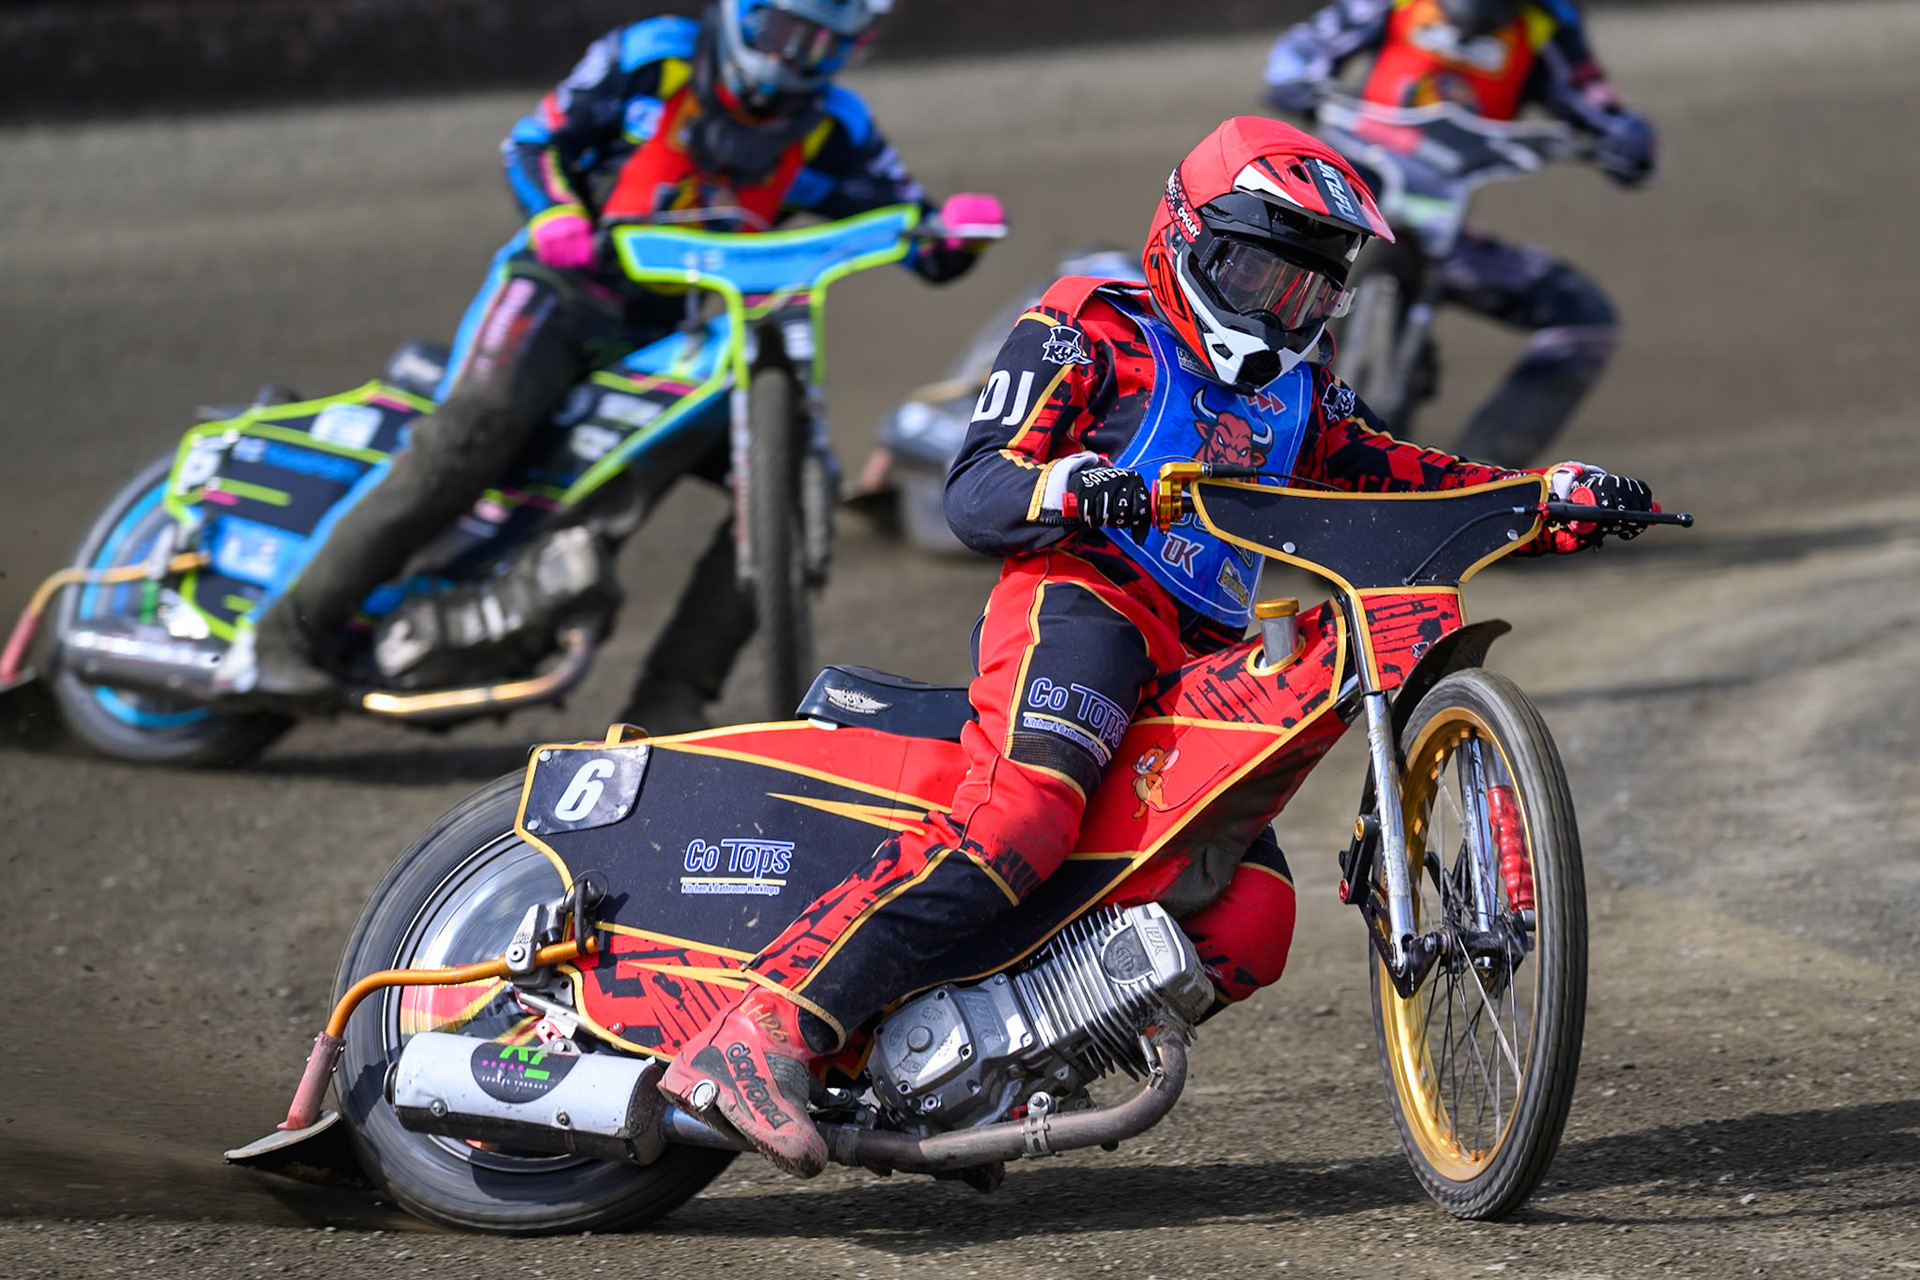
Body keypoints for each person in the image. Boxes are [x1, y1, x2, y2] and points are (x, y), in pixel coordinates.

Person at [658, 115, 1657, 1176]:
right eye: (1261, 276)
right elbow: (977, 486)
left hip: (1204, 655)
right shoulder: (1090, 324)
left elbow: (1401, 475)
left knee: (1255, 913)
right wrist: (1076, 482)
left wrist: (1545, 496)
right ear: (1188, 238)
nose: (1284, 309)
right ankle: (764, 1027)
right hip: (1082, 598)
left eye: (1309, 291)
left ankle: (990, 1071)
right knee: (1026, 810)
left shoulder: (1303, 396)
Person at [225, 0, 1002, 729]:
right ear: (737, 13)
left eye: (824, 42)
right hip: (559, 290)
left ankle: (670, 701)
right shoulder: (654, 58)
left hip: (670, 335)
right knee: (471, 437)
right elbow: (533, 143)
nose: (794, 58)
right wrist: (559, 210)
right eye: (779, 30)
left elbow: (916, 229)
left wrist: (954, 233)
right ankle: (282, 635)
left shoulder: (836, 128)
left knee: (797, 486)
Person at [1264, 0, 1658, 466]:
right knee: (1250, 279)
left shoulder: (1546, 23)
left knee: (1583, 321)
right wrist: (1298, 80)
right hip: (1342, 210)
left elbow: (1597, 104)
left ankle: (1485, 487)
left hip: (1441, 232)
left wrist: (1626, 136)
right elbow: (1297, 54)